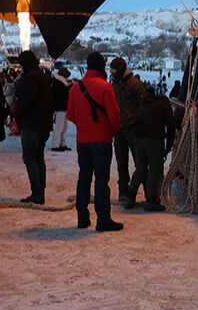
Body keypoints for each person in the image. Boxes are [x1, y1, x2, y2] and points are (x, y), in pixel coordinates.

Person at [65, 52, 123, 231]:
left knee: (84, 178)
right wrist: (113, 129)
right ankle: (103, 219)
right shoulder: (105, 87)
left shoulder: (75, 88)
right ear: (102, 66)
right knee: (101, 181)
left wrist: (84, 126)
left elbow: (70, 115)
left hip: (83, 141)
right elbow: (114, 116)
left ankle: (82, 217)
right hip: (102, 140)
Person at [125, 87, 177, 210]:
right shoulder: (163, 104)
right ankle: (151, 200)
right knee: (155, 168)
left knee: (141, 168)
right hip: (154, 139)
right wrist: (169, 145)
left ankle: (130, 196)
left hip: (139, 139)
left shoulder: (142, 106)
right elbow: (170, 125)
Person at [13, 50, 54, 202]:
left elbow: (26, 101)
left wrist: (18, 116)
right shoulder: (42, 77)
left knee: (30, 158)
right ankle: (40, 190)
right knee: (38, 157)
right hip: (43, 124)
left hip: (32, 124)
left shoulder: (30, 78)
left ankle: (37, 193)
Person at [110, 57, 149, 200]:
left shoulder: (135, 85)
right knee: (121, 162)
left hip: (133, 128)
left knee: (140, 162)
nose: (112, 72)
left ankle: (148, 192)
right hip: (118, 129)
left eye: (114, 70)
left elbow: (143, 107)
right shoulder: (113, 83)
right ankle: (123, 191)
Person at [50, 67, 72, 151]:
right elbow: (63, 93)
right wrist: (70, 86)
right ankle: (56, 145)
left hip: (61, 107)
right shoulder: (59, 83)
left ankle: (61, 143)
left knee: (63, 126)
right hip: (60, 107)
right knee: (60, 127)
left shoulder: (57, 82)